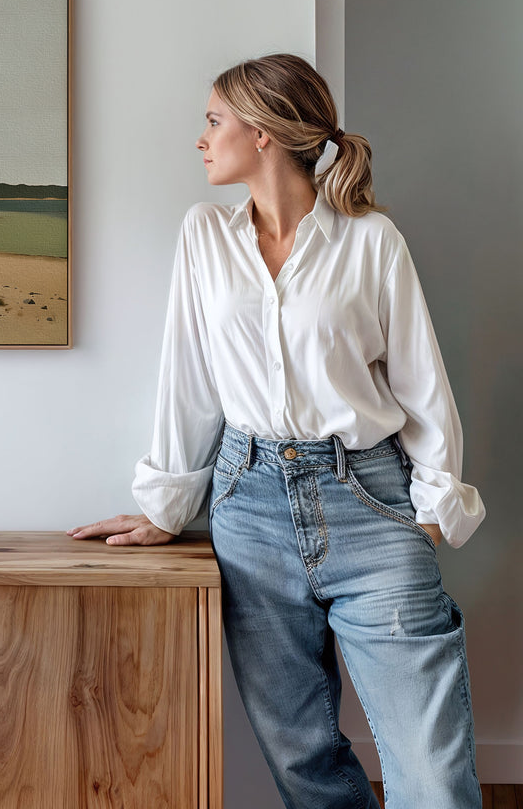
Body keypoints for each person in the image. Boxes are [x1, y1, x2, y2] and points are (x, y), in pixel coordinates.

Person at [69, 54, 485, 809]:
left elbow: (422, 383)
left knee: (431, 770)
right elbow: (187, 378)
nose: (201, 138)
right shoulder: (204, 236)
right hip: (248, 505)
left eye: (213, 120)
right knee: (303, 761)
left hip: (371, 499)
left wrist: (431, 509)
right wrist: (168, 506)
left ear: (262, 134)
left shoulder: (371, 241)